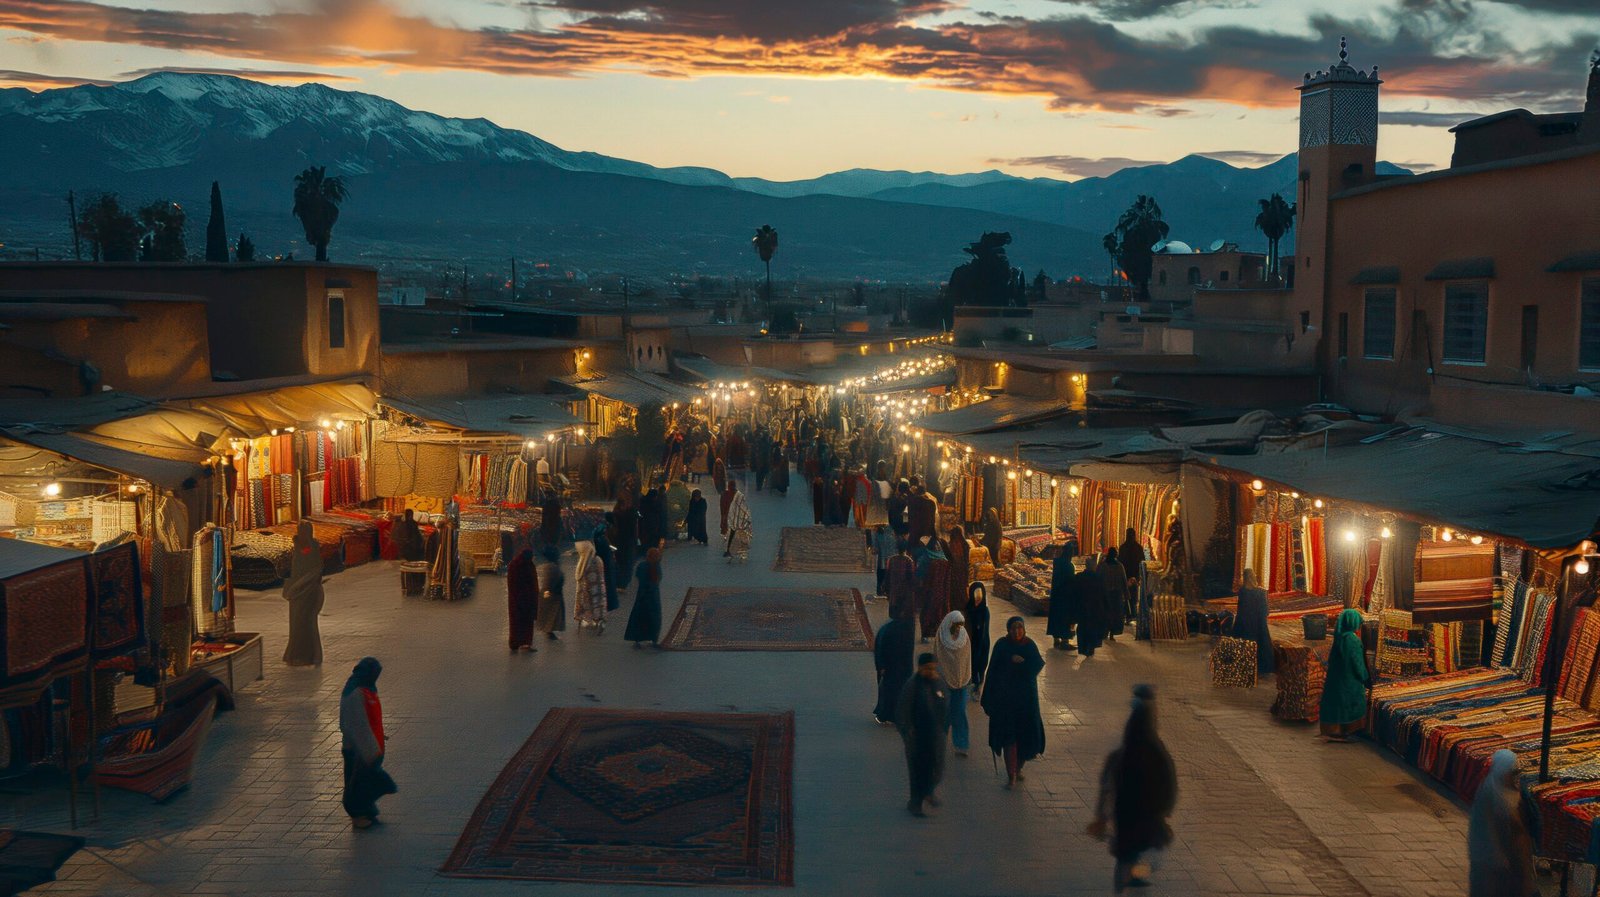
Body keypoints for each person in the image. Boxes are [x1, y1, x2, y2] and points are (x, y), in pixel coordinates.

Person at [1091, 684, 1177, 893]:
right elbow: (1170, 784)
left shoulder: (1122, 755)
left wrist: (1101, 815)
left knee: (1125, 860)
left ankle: (1123, 886)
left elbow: (1106, 785)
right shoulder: (1158, 753)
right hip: (1149, 821)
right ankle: (1136, 879)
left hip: (1126, 817)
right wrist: (1165, 811)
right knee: (1141, 861)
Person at [982, 616, 1046, 788]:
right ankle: (1011, 776)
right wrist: (989, 698)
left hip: (1026, 702)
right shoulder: (1002, 646)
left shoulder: (1029, 645)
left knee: (1026, 737)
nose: (1017, 631)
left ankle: (1018, 769)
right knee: (1009, 738)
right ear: (1008, 630)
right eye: (1013, 628)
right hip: (1006, 701)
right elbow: (993, 671)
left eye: (1020, 627)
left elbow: (1037, 665)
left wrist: (1023, 663)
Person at [1468, 749, 1537, 897]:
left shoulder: (1510, 789)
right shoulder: (1490, 792)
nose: (1512, 774)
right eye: (1510, 771)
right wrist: (1497, 853)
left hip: (1509, 858)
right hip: (1492, 860)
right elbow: (1487, 827)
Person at [339, 657, 397, 830]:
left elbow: (370, 718)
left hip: (370, 745)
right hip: (359, 749)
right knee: (357, 784)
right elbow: (355, 725)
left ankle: (366, 811)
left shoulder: (367, 688)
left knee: (364, 782)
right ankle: (358, 815)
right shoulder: (355, 693)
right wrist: (369, 749)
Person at [896, 653, 949, 818]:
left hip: (936, 735)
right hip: (917, 738)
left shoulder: (939, 682)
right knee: (918, 770)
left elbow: (946, 704)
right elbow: (902, 712)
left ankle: (928, 791)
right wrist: (907, 731)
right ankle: (915, 803)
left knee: (937, 767)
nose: (931, 671)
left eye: (933, 668)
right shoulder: (912, 685)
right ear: (920, 668)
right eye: (927, 668)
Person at [1320, 608, 1370, 741]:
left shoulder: (1340, 637)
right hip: (1349, 681)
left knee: (1337, 704)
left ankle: (1334, 731)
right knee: (1351, 705)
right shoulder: (1353, 640)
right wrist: (1365, 677)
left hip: (1336, 680)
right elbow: (1357, 663)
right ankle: (1344, 732)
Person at [282, 520, 325, 667]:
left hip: (309, 592)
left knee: (308, 623)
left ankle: (310, 657)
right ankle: (298, 656)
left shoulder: (312, 547)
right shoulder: (298, 548)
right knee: (297, 624)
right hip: (298, 593)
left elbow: (316, 569)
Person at [935, 611, 973, 758]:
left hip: (962, 681)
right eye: (955, 626)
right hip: (944, 681)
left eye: (960, 626)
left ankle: (961, 745)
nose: (958, 629)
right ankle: (938, 743)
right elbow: (939, 656)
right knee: (943, 713)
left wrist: (965, 676)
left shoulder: (964, 637)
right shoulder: (941, 636)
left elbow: (966, 658)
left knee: (959, 713)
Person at [873, 603, 916, 725]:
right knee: (897, 692)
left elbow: (879, 647)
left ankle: (887, 714)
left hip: (891, 667)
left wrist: (881, 666)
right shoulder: (904, 629)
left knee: (889, 692)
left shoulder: (888, 629)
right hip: (899, 667)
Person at [1230, 569, 1275, 675]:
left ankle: (1244, 667)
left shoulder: (1242, 591)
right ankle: (1261, 669)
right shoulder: (1261, 592)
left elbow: (1240, 609)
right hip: (1259, 625)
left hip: (1244, 625)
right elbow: (1265, 611)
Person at [624, 547, 663, 648]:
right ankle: (654, 639)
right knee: (654, 618)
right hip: (653, 596)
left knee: (639, 617)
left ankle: (637, 640)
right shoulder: (656, 566)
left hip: (642, 595)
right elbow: (657, 580)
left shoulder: (642, 566)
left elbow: (638, 578)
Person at [913, 537, 950, 641]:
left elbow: (919, 575)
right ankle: (939, 635)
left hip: (928, 592)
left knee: (927, 613)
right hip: (941, 593)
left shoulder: (926, 559)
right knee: (939, 613)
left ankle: (925, 635)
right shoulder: (944, 560)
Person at [1076, 555, 1110, 660]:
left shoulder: (1079, 577)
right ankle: (1090, 649)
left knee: (1082, 628)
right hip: (1095, 608)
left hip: (1082, 608)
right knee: (1092, 628)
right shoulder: (1098, 579)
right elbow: (1104, 594)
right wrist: (1106, 607)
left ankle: (1082, 648)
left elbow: (1074, 593)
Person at [1047, 545, 1079, 651]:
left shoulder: (1058, 563)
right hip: (1065, 595)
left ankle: (1056, 639)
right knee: (1065, 617)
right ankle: (1065, 641)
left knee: (1056, 616)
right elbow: (1070, 581)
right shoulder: (1068, 565)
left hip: (1056, 594)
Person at [506, 548, 538, 651]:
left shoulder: (513, 565)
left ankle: (514, 643)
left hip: (515, 599)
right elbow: (533, 582)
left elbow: (511, 583)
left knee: (515, 622)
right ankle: (525, 643)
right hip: (527, 599)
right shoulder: (528, 565)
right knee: (527, 622)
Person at [574, 539, 607, 631]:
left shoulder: (583, 561)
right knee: (596, 603)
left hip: (586, 591)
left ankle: (589, 619)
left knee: (588, 603)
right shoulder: (596, 560)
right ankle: (597, 619)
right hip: (597, 589)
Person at [535, 544, 566, 641]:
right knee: (552, 614)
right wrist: (547, 593)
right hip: (552, 595)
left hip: (551, 593)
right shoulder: (551, 567)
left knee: (551, 614)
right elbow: (548, 582)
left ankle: (549, 631)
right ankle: (549, 631)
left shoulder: (549, 566)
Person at [965, 583, 991, 688]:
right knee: (971, 661)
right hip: (971, 641)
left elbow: (984, 629)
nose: (977, 601)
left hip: (982, 641)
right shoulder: (968, 609)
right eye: (975, 598)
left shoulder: (985, 611)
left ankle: (978, 682)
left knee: (980, 660)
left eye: (979, 598)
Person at [1102, 547, 1130, 642]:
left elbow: (1098, 578)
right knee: (1115, 614)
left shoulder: (1103, 565)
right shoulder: (1119, 566)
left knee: (1106, 613)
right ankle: (1112, 634)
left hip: (1106, 594)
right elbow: (1124, 581)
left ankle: (1105, 632)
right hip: (1116, 594)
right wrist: (1126, 595)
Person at [592, 519, 619, 614]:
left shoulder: (597, 540)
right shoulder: (603, 540)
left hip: (603, 564)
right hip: (607, 564)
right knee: (609, 585)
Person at [1118, 528, 1145, 617]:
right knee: (1133, 596)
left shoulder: (1123, 548)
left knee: (1127, 596)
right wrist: (1138, 577)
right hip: (1133, 576)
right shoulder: (1138, 548)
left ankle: (1128, 613)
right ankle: (1132, 614)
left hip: (1126, 576)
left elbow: (1120, 562)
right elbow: (1142, 562)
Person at [946, 526, 971, 621]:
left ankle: (957, 608)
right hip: (959, 571)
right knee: (960, 589)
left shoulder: (952, 544)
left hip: (956, 571)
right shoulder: (964, 544)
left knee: (957, 590)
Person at [725, 483, 752, 563]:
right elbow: (746, 514)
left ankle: (732, 555)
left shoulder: (735, 501)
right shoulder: (742, 503)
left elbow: (732, 514)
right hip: (740, 526)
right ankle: (739, 554)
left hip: (736, 526)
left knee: (735, 540)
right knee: (740, 541)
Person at [873, 524, 897, 598]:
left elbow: (875, 550)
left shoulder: (878, 535)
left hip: (882, 560)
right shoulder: (894, 535)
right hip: (892, 560)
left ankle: (880, 590)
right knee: (890, 575)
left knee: (881, 575)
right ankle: (888, 591)